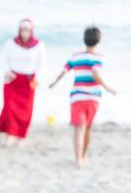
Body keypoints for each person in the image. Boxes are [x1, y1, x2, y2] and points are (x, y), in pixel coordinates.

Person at [49, 27, 116, 169]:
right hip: (93, 98)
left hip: (77, 96)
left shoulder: (75, 57)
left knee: (79, 128)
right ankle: (82, 157)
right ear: (99, 40)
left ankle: (78, 159)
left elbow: (63, 71)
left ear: (84, 39)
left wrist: (54, 83)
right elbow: (95, 73)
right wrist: (107, 88)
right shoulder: (99, 58)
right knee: (88, 128)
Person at [0, 19, 47, 146]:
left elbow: (42, 64)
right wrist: (7, 71)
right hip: (12, 80)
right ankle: (9, 135)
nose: (25, 32)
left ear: (31, 31)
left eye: (27, 30)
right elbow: (3, 59)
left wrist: (37, 78)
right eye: (22, 29)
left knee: (26, 111)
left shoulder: (39, 45)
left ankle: (20, 136)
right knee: (10, 108)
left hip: (29, 81)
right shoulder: (11, 43)